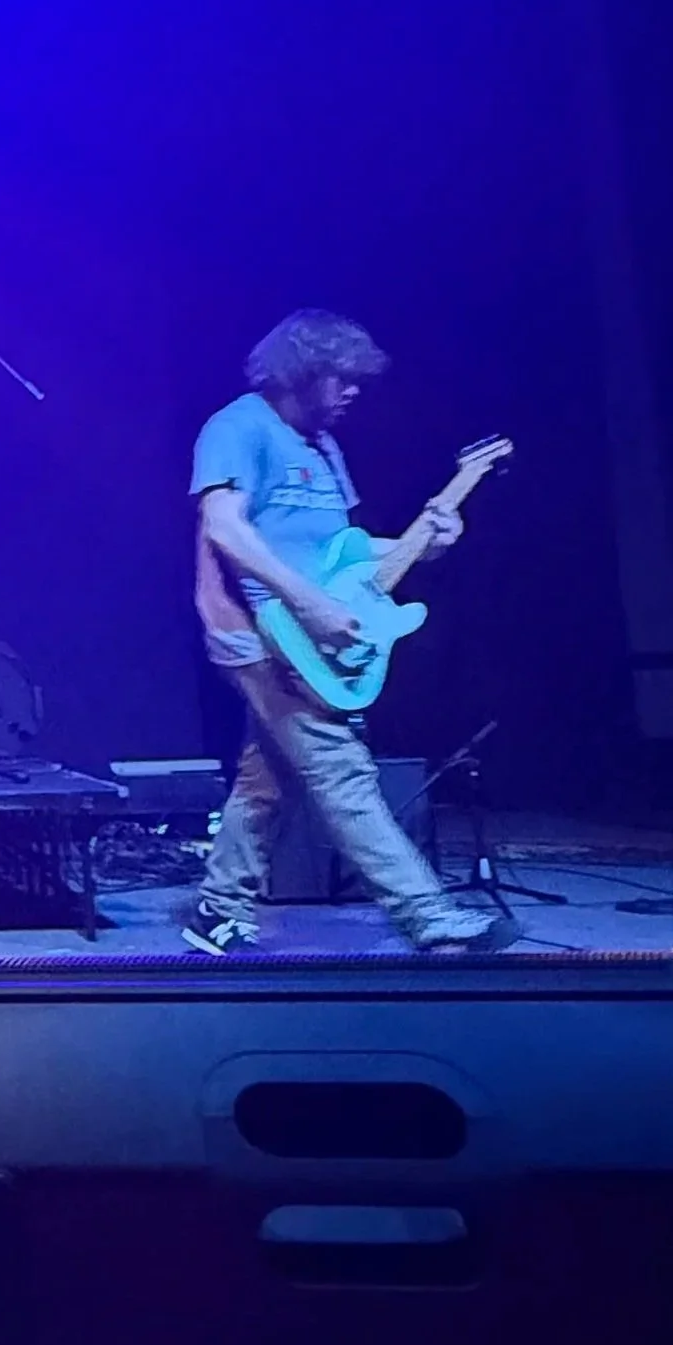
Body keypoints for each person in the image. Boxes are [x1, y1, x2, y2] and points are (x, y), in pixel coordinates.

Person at [185, 309, 508, 955]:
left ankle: (216, 910)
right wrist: (308, 604)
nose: (353, 391)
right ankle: (427, 916)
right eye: (342, 377)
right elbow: (224, 528)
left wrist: (430, 542)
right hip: (259, 627)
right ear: (300, 372)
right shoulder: (237, 427)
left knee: (267, 777)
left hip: (313, 632)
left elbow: (348, 552)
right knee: (341, 767)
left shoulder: (324, 447)